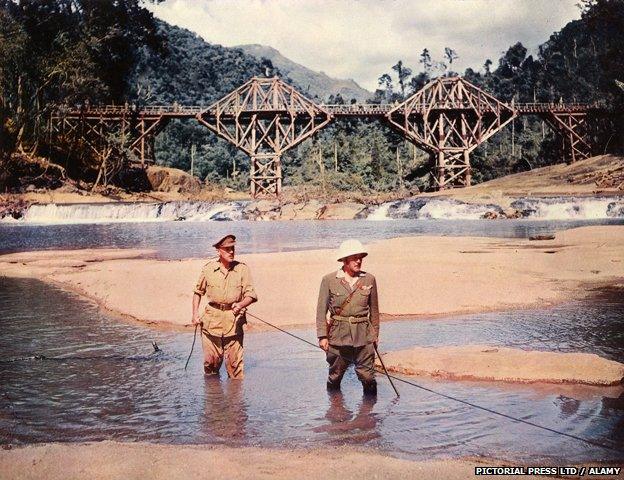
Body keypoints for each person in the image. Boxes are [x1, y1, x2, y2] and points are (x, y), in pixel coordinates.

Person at [316, 239, 380, 395]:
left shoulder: (369, 279)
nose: (358, 261)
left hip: (363, 336)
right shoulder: (329, 280)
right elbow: (320, 310)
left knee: (368, 377)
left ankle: (369, 416)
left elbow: (375, 311)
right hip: (338, 336)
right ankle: (335, 411)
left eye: (360, 257)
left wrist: (375, 336)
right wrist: (322, 336)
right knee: (335, 375)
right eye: (354, 257)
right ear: (344, 260)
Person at [192, 234, 257, 379]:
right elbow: (197, 292)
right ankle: (214, 399)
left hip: (234, 323)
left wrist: (240, 304)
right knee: (210, 365)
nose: (231, 252)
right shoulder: (208, 269)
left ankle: (236, 401)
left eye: (232, 248)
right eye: (227, 249)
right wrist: (195, 314)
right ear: (218, 251)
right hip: (211, 324)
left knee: (235, 369)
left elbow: (251, 295)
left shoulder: (242, 269)